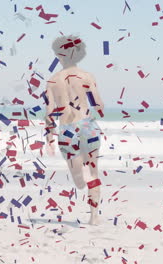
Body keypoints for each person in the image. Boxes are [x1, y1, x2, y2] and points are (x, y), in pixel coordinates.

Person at [44, 35, 104, 225]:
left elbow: (49, 114)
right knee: (93, 171)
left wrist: (49, 138)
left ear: (58, 55)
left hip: (67, 129)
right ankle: (94, 216)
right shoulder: (87, 76)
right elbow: (99, 104)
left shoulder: (52, 82)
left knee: (79, 180)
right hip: (87, 125)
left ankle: (80, 177)